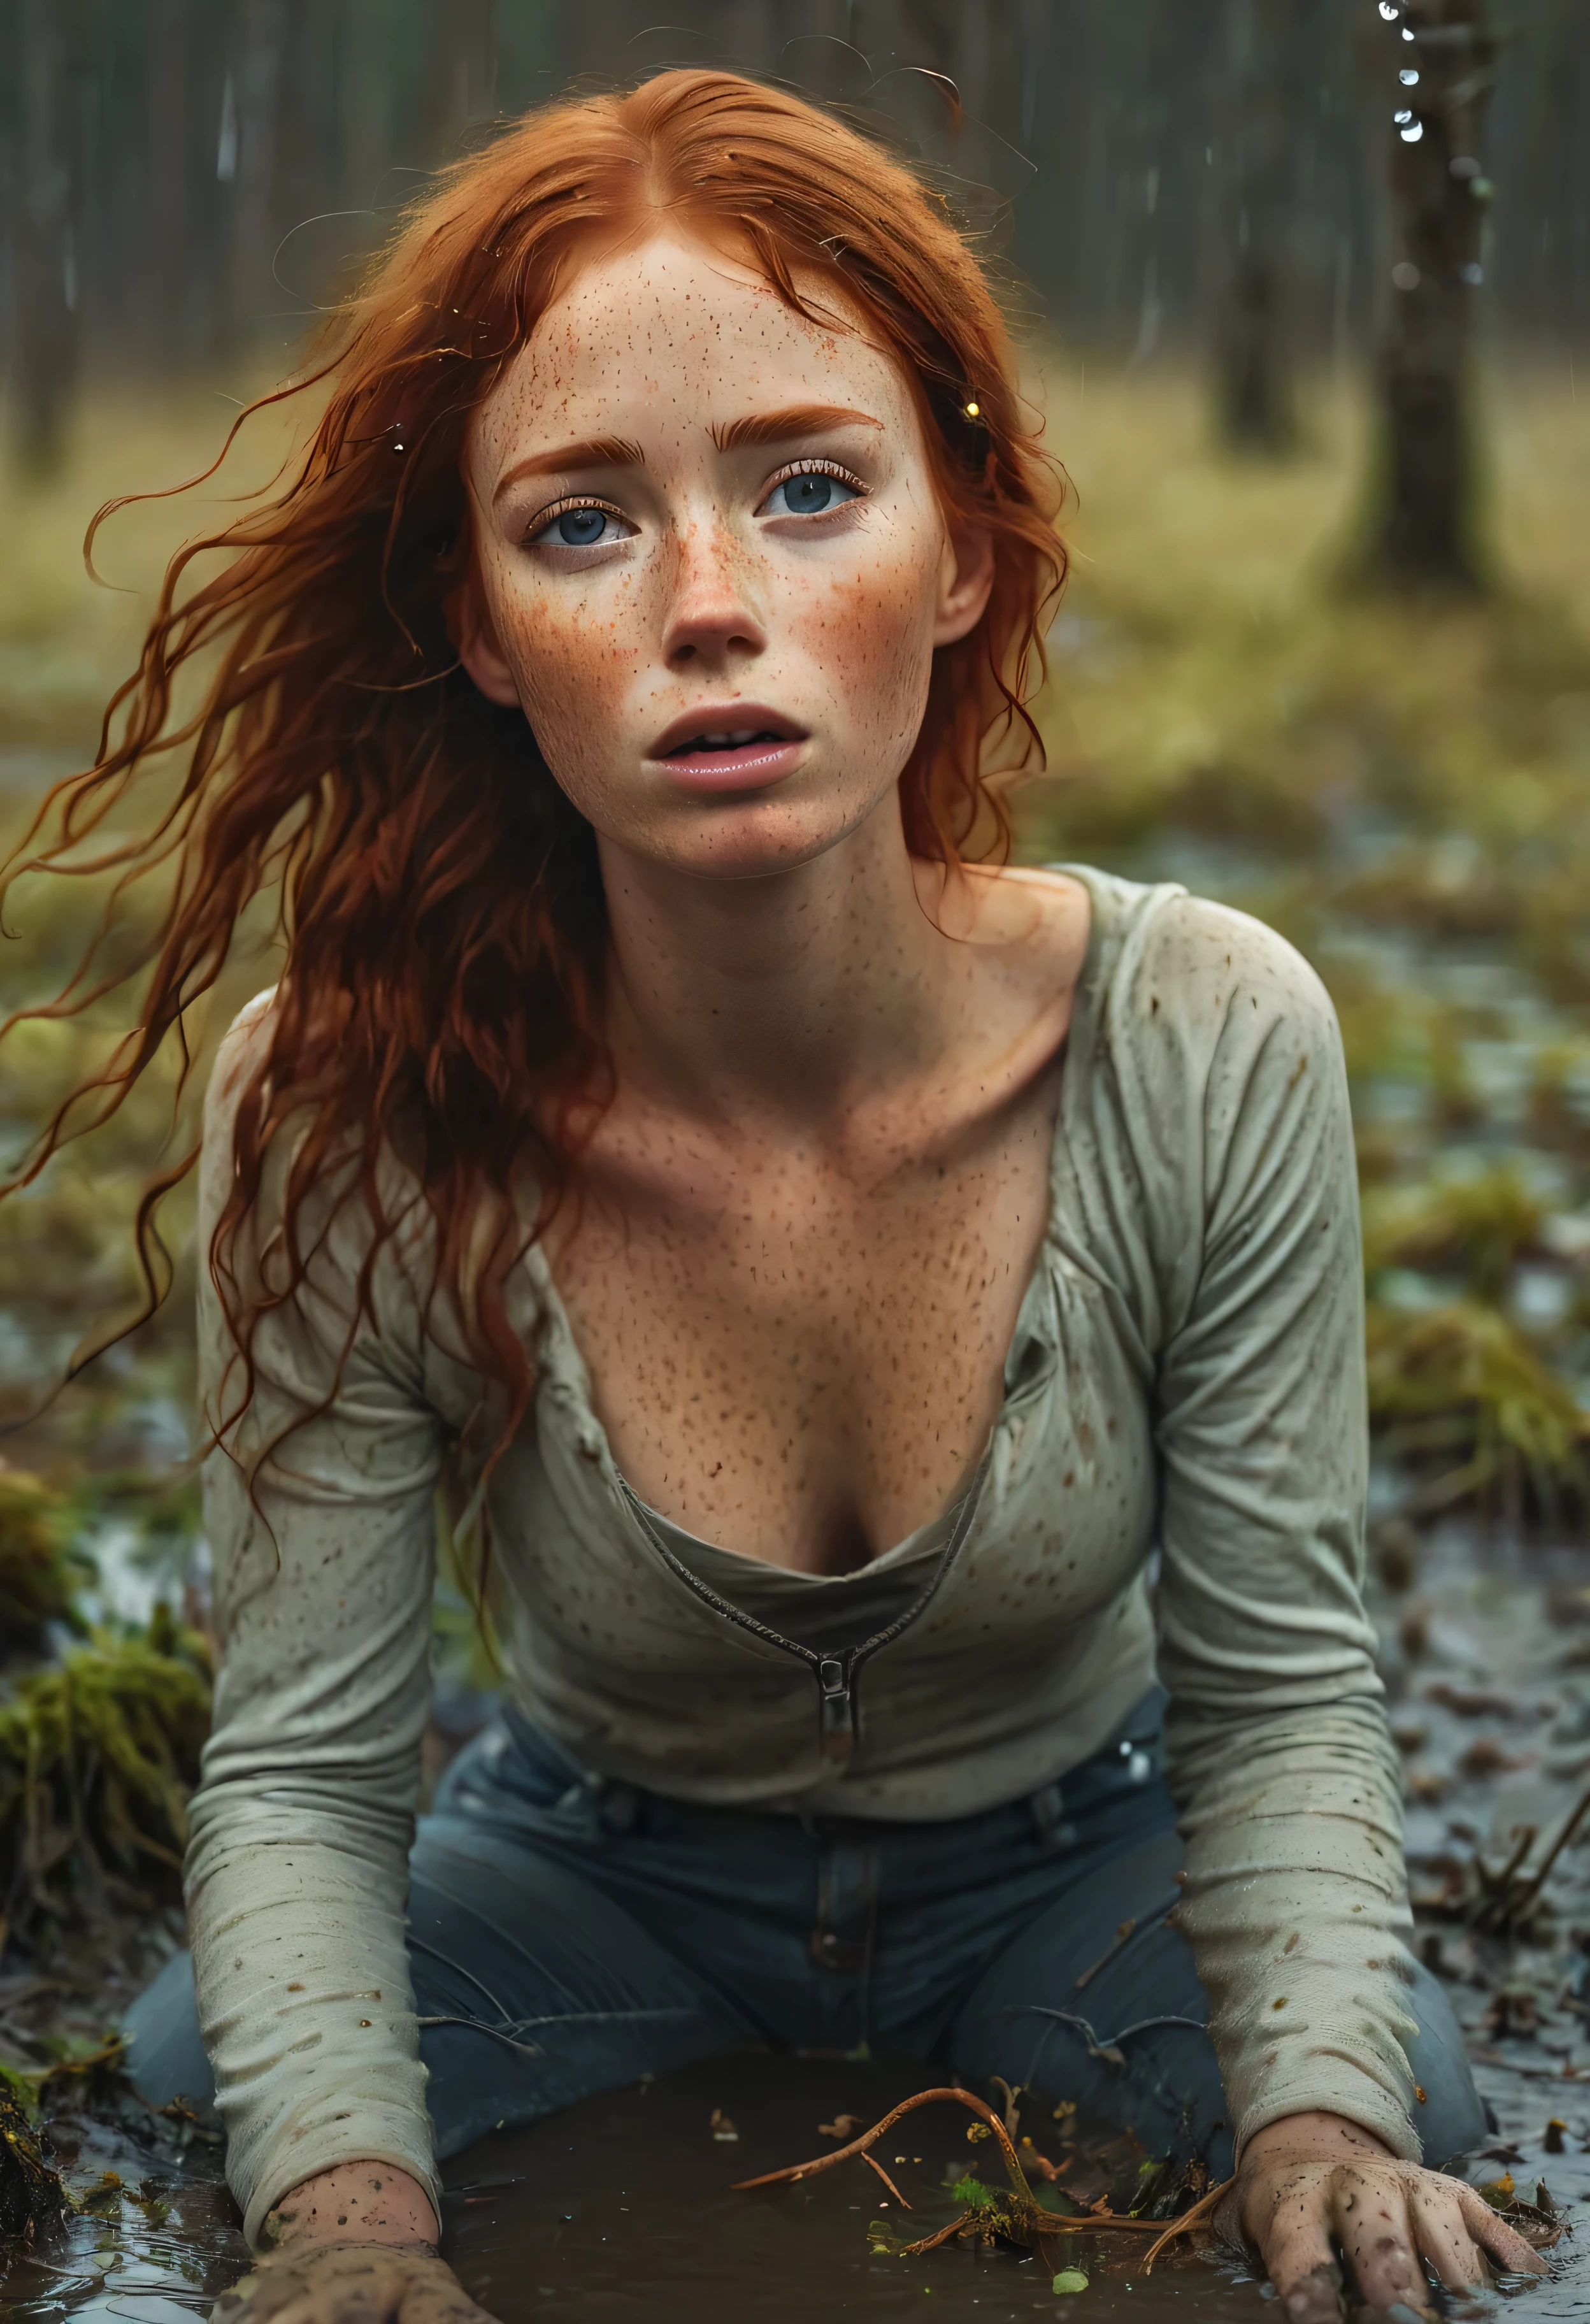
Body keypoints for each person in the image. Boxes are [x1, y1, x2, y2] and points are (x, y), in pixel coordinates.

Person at [47, 66, 1529, 2324]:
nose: (708, 607)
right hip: (582, 1890)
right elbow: (307, 1773)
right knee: (192, 2086)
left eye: (810, 489)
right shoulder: (350, 1100)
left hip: (1083, 1870)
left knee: (1396, 2106)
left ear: (961, 551)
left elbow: (1287, 1691)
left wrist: (1312, 2121)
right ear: (476, 624)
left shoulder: (1207, 1032)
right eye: (582, 525)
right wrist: (353, 2226)